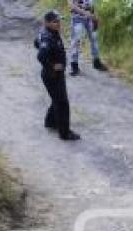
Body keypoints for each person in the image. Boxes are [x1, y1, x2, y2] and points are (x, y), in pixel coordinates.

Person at [36, 11, 80, 141]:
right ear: (47, 23)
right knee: (62, 103)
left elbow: (36, 43)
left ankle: (50, 122)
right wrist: (52, 66)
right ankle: (65, 133)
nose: (58, 24)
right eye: (55, 22)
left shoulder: (49, 33)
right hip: (52, 75)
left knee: (57, 99)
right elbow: (41, 56)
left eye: (59, 21)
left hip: (55, 75)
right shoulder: (48, 36)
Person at [69, 0, 107, 76]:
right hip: (77, 19)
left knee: (94, 40)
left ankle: (96, 62)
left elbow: (92, 5)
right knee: (76, 41)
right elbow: (72, 6)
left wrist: (95, 17)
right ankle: (74, 65)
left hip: (90, 19)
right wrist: (86, 13)